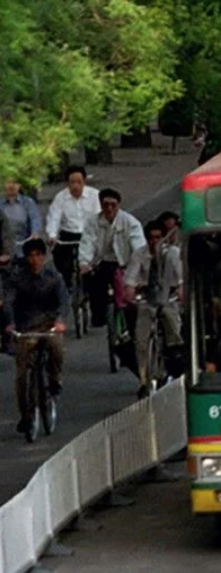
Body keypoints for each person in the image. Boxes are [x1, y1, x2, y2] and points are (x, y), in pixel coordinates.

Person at [4, 239, 68, 435]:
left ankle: (55, 380)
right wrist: (10, 323)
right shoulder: (17, 279)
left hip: (48, 325)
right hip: (26, 327)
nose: (35, 260)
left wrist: (59, 320)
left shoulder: (53, 277)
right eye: (31, 255)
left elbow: (63, 301)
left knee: (56, 348)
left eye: (38, 255)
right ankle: (26, 415)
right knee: (22, 374)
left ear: (43, 256)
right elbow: (8, 302)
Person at [130, 219, 185, 396]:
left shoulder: (173, 254)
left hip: (168, 298)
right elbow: (130, 278)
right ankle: (144, 379)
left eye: (158, 237)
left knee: (174, 330)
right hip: (147, 300)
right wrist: (130, 289)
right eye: (151, 238)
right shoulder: (139, 254)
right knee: (141, 340)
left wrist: (181, 289)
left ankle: (176, 367)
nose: (155, 241)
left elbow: (182, 277)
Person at [77, 188, 146, 331]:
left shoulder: (130, 222)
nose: (109, 208)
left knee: (129, 293)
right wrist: (84, 262)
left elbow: (139, 246)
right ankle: (99, 317)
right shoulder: (93, 222)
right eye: (105, 204)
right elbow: (87, 242)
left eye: (113, 205)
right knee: (94, 284)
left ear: (118, 205)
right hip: (102, 262)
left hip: (125, 263)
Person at [45, 165, 100, 296]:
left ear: (84, 181)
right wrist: (51, 235)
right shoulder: (60, 198)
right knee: (60, 257)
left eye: (79, 182)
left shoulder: (95, 195)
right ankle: (65, 286)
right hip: (68, 235)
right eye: (72, 182)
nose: (75, 186)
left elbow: (99, 216)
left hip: (88, 234)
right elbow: (54, 217)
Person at [1, 181, 41, 262]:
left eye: (15, 182)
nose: (11, 185)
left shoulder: (28, 202)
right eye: (8, 182)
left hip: (24, 244)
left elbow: (35, 219)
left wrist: (35, 232)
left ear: (20, 185)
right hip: (4, 247)